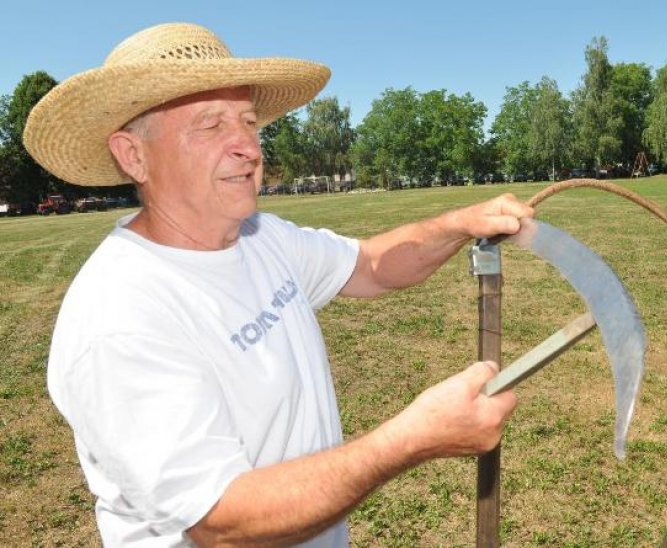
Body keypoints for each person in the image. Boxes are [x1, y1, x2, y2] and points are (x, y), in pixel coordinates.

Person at [24, 23, 531, 547]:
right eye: (210, 124)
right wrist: (409, 440)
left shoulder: (261, 238)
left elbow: (372, 264)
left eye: (247, 121)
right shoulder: (120, 314)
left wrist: (460, 223)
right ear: (134, 155)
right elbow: (222, 519)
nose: (247, 145)